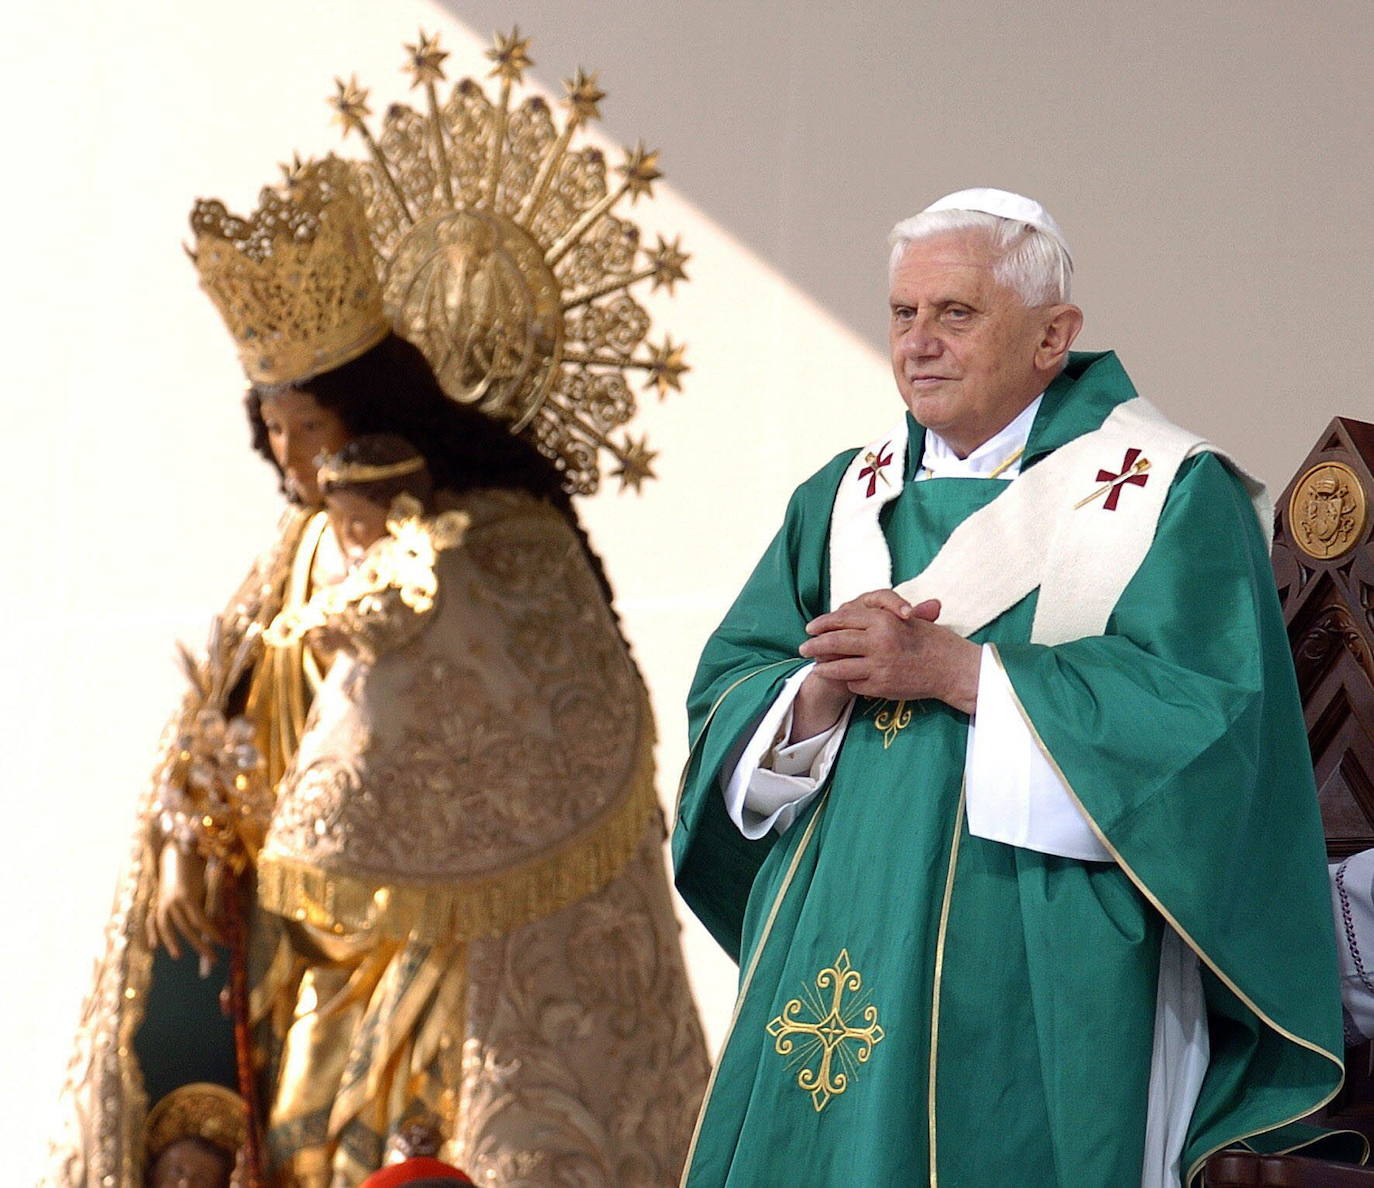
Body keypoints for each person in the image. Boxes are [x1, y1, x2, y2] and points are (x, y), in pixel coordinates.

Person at [50, 158, 708, 1187]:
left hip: (451, 944)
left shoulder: (503, 544)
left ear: (373, 410)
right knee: (300, 1143)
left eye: (311, 425)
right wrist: (188, 835)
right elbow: (219, 718)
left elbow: (547, 724)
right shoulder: (292, 549)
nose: (293, 454)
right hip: (300, 944)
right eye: (272, 427)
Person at [673, 188, 1344, 1186]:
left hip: (1044, 956)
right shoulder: (843, 497)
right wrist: (810, 702)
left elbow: (1215, 733)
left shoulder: (1166, 490)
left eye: (956, 313)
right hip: (832, 936)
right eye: (904, 314)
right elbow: (731, 687)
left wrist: (969, 675)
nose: (919, 344)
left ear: (1052, 336)